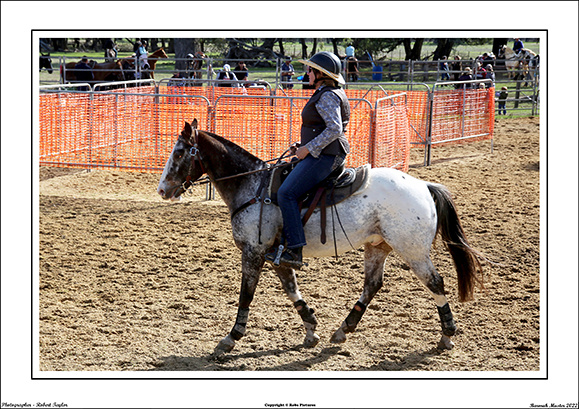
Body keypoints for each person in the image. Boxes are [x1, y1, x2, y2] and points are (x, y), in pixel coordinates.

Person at [265, 52, 350, 269]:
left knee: (286, 193)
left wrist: (308, 149)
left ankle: (294, 250)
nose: (307, 73)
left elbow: (334, 129)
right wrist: (301, 146)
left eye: (310, 70)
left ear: (321, 74)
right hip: (322, 152)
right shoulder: (327, 92)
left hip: (327, 156)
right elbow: (321, 127)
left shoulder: (327, 95)